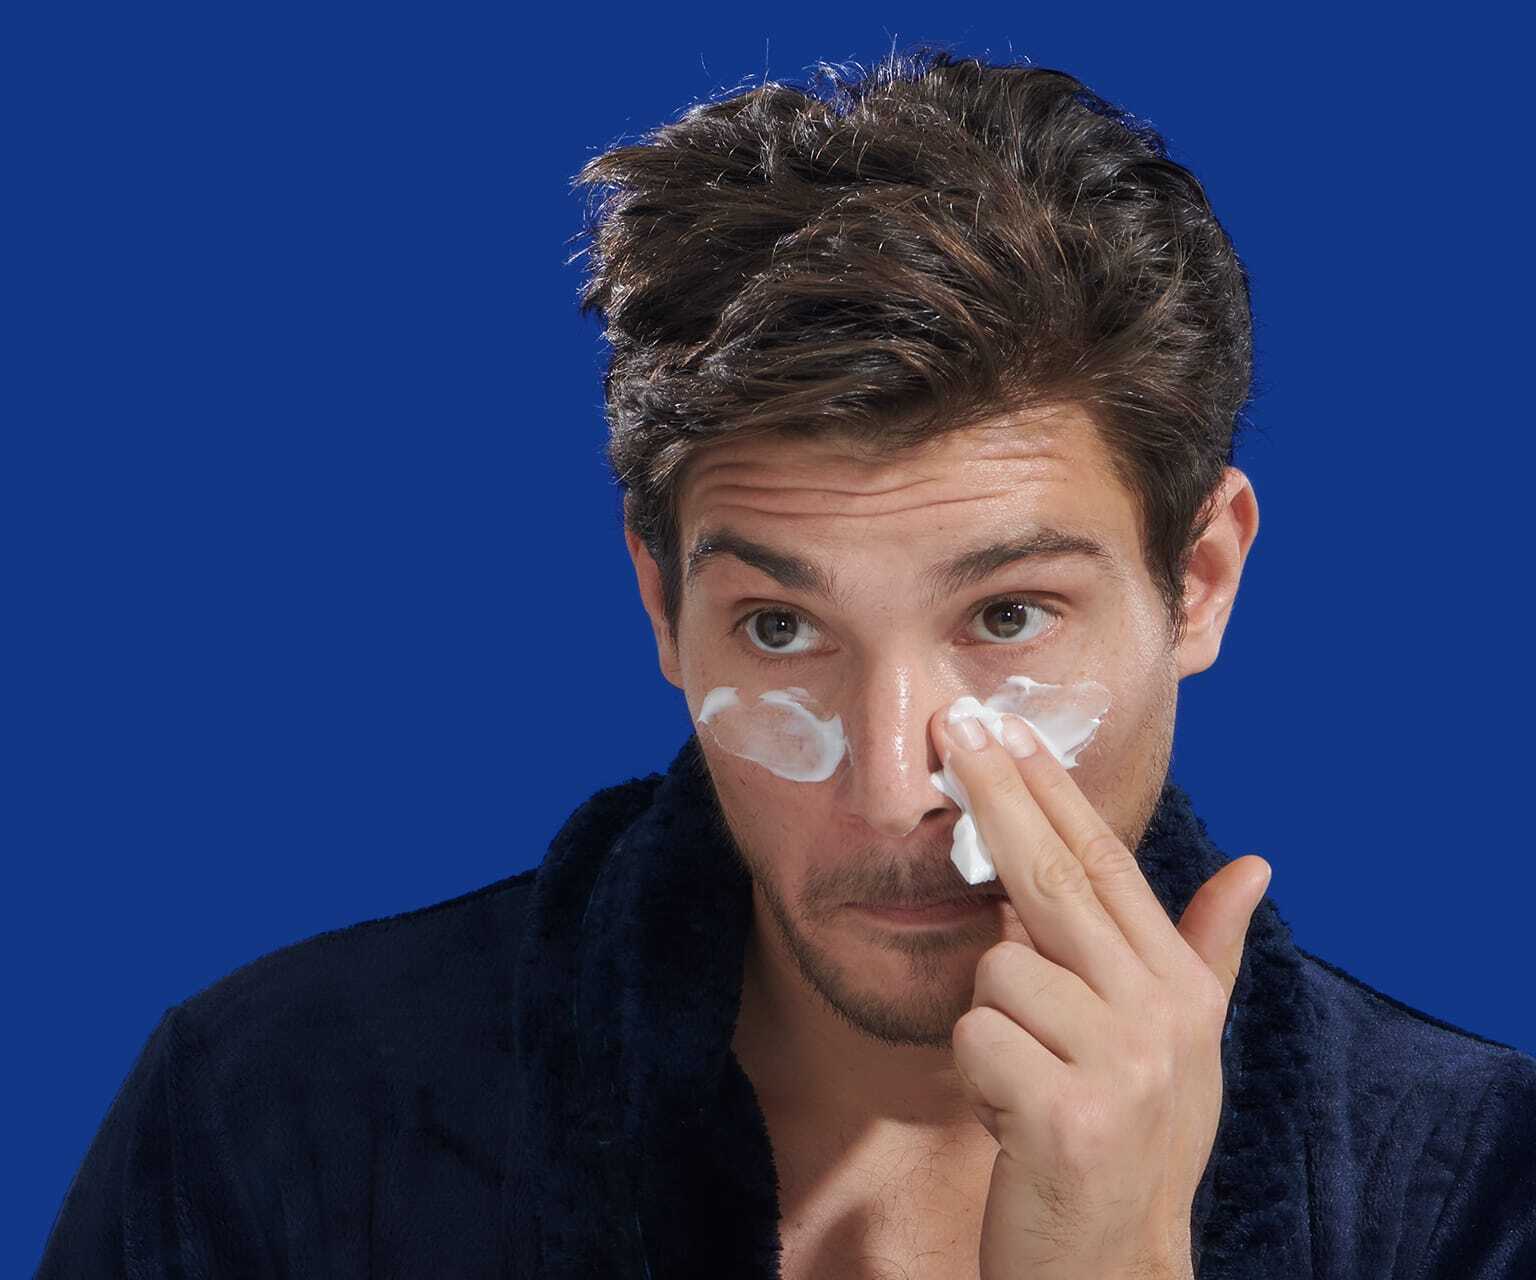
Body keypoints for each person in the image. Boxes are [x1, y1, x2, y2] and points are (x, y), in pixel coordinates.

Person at [37, 47, 1536, 1279]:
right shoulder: (277, 1113)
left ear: (1198, 581)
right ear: (659, 608)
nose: (897, 786)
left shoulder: (1476, 1194)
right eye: (781, 629)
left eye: (1007, 616)